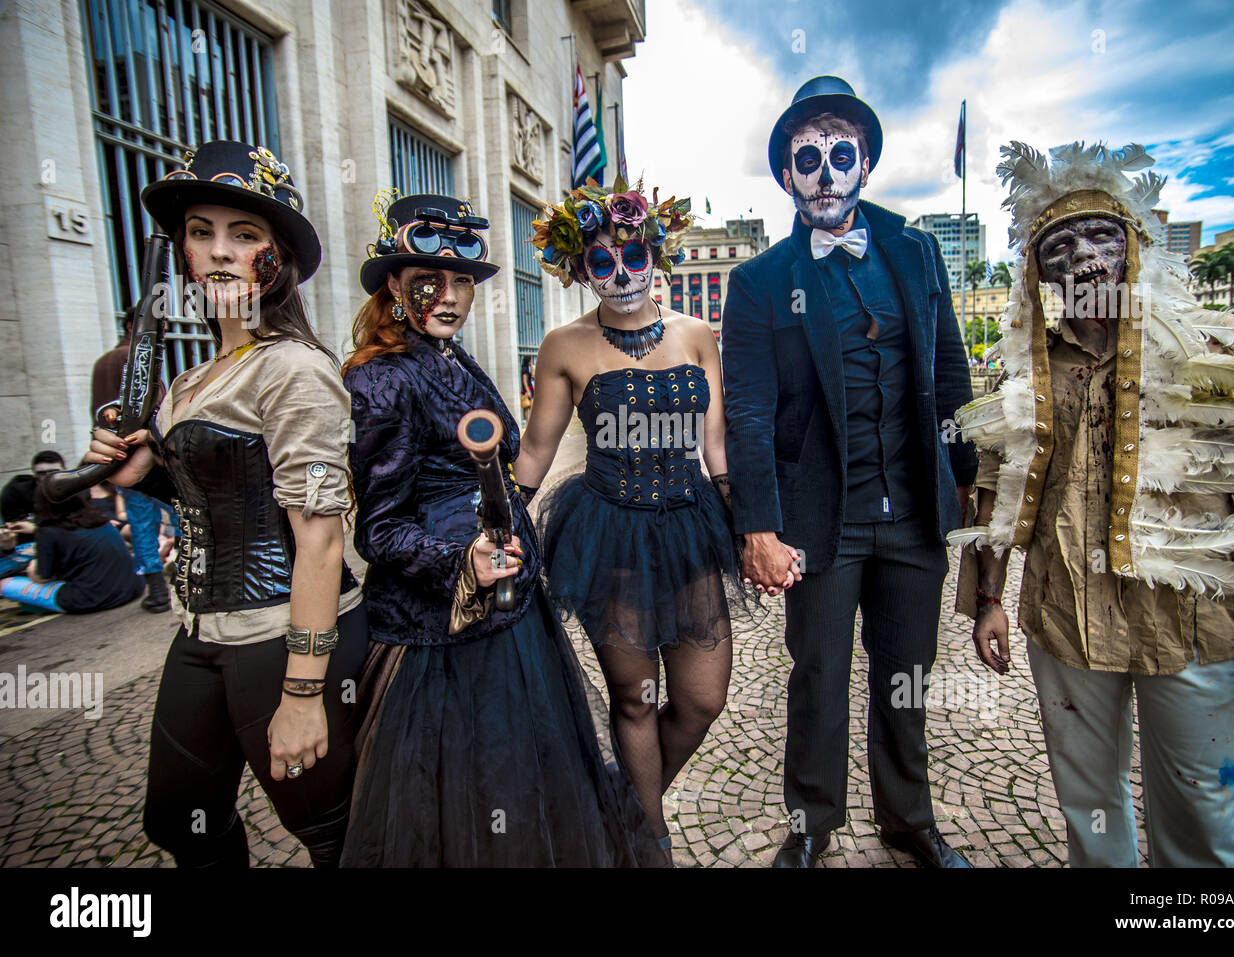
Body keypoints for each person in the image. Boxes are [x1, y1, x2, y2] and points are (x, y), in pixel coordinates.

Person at [954, 141, 1234, 866]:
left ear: (1136, 245)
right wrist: (988, 598)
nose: (1082, 257)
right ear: (1037, 271)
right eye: (1059, 246)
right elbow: (997, 490)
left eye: (1101, 237)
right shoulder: (1025, 372)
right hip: (1066, 622)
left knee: (1208, 816)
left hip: (1191, 629)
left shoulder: (1222, 356)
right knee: (1092, 815)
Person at [339, 191, 662, 867]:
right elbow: (379, 529)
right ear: (395, 285)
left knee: (526, 786)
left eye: (463, 280)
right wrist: (460, 559)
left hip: (511, 615)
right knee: (472, 806)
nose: (451, 295)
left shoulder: (451, 356)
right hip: (443, 640)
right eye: (432, 279)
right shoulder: (383, 380)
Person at [84, 140, 367, 867]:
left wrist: (304, 690)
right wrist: (145, 473)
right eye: (200, 231)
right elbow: (205, 492)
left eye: (244, 236)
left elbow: (321, 541)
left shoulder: (294, 369)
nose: (217, 252)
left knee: (332, 833)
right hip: (199, 629)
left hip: (284, 635)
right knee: (182, 821)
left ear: (278, 260)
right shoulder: (191, 380)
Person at [721, 76, 977, 868]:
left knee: (908, 678)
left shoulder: (917, 249)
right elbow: (750, 411)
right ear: (787, 175)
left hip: (911, 516)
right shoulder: (759, 280)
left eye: (840, 154)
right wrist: (757, 526)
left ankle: (910, 820)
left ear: (864, 164)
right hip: (819, 516)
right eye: (808, 157)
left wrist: (964, 487)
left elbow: (951, 371)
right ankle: (811, 824)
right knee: (820, 677)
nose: (825, 170)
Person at [513, 177, 759, 860]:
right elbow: (535, 448)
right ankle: (650, 843)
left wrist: (751, 527)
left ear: (656, 256)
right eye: (601, 260)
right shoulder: (564, 345)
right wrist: (497, 518)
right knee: (634, 700)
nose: (620, 272)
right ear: (580, 269)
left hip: (688, 527)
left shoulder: (696, 334)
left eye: (633, 255)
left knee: (702, 698)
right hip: (608, 530)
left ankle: (617, 808)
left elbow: (716, 448)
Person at [90, 305, 173, 612]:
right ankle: (170, 580)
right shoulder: (138, 359)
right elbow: (158, 411)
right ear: (131, 326)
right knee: (174, 514)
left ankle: (158, 588)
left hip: (123, 457)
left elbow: (100, 416)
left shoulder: (105, 363)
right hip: (145, 455)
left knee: (143, 523)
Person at [0, 482, 142, 614]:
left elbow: (42, 577)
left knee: (5, 584)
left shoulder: (48, 532)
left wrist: (33, 567)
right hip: (133, 588)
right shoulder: (98, 517)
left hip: (93, 599)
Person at [2, 451, 66, 545]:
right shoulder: (16, 492)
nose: (48, 477)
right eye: (42, 473)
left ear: (65, 471)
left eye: (54, 472)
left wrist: (36, 529)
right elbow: (16, 531)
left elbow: (82, 527)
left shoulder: (76, 490)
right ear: (34, 475)